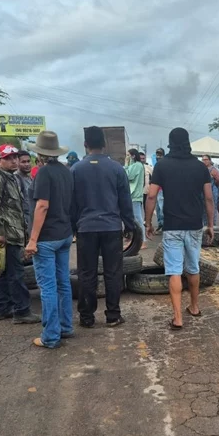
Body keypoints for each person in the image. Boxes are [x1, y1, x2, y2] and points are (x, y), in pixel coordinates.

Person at [146, 128, 214, 329]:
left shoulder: (162, 165)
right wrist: (210, 225)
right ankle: (194, 307)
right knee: (193, 267)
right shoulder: (200, 167)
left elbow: (151, 196)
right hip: (194, 225)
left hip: (172, 226)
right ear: (188, 143)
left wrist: (148, 222)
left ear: (170, 143)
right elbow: (209, 198)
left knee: (174, 270)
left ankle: (177, 318)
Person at [71, 126, 135, 328]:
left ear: (85, 144)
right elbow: (125, 200)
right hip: (111, 227)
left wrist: (74, 226)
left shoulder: (75, 169)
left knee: (86, 273)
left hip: (86, 228)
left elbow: (71, 203)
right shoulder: (117, 168)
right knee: (113, 272)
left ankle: (87, 317)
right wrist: (129, 224)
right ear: (104, 144)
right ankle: (113, 315)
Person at [24, 131, 74, 349]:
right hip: (64, 234)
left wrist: (33, 239)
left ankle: (51, 336)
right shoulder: (66, 172)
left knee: (48, 287)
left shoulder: (43, 173)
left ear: (40, 154)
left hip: (46, 238)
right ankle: (65, 326)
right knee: (63, 282)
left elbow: (42, 205)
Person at [0, 144, 40, 324]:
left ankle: (2, 308)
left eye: (15, 157)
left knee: (5, 272)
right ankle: (22, 311)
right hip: (6, 235)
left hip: (15, 233)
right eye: (9, 158)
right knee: (16, 274)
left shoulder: (12, 179)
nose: (14, 161)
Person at [125, 148, 147, 249]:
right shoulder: (134, 165)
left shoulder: (137, 165)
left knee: (138, 219)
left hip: (135, 195)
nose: (127, 157)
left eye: (128, 155)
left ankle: (143, 241)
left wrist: (126, 164)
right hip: (131, 195)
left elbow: (128, 175)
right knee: (133, 219)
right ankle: (134, 240)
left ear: (133, 156)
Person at [201, 155, 219, 226]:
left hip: (212, 191)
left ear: (210, 160)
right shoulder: (200, 169)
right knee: (203, 209)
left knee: (212, 208)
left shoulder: (213, 170)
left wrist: (215, 186)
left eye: (206, 159)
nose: (204, 161)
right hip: (202, 192)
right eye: (203, 160)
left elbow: (218, 180)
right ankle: (204, 225)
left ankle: (212, 225)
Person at [16, 150, 33, 228]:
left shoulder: (30, 178)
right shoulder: (16, 179)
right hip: (23, 223)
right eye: (23, 162)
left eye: (28, 161)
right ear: (17, 163)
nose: (27, 164)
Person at [154, 148, 165, 232]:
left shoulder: (164, 165)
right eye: (157, 154)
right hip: (157, 190)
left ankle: (164, 225)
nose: (158, 156)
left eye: (160, 154)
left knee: (162, 209)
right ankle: (160, 224)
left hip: (162, 190)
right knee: (158, 209)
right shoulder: (156, 165)